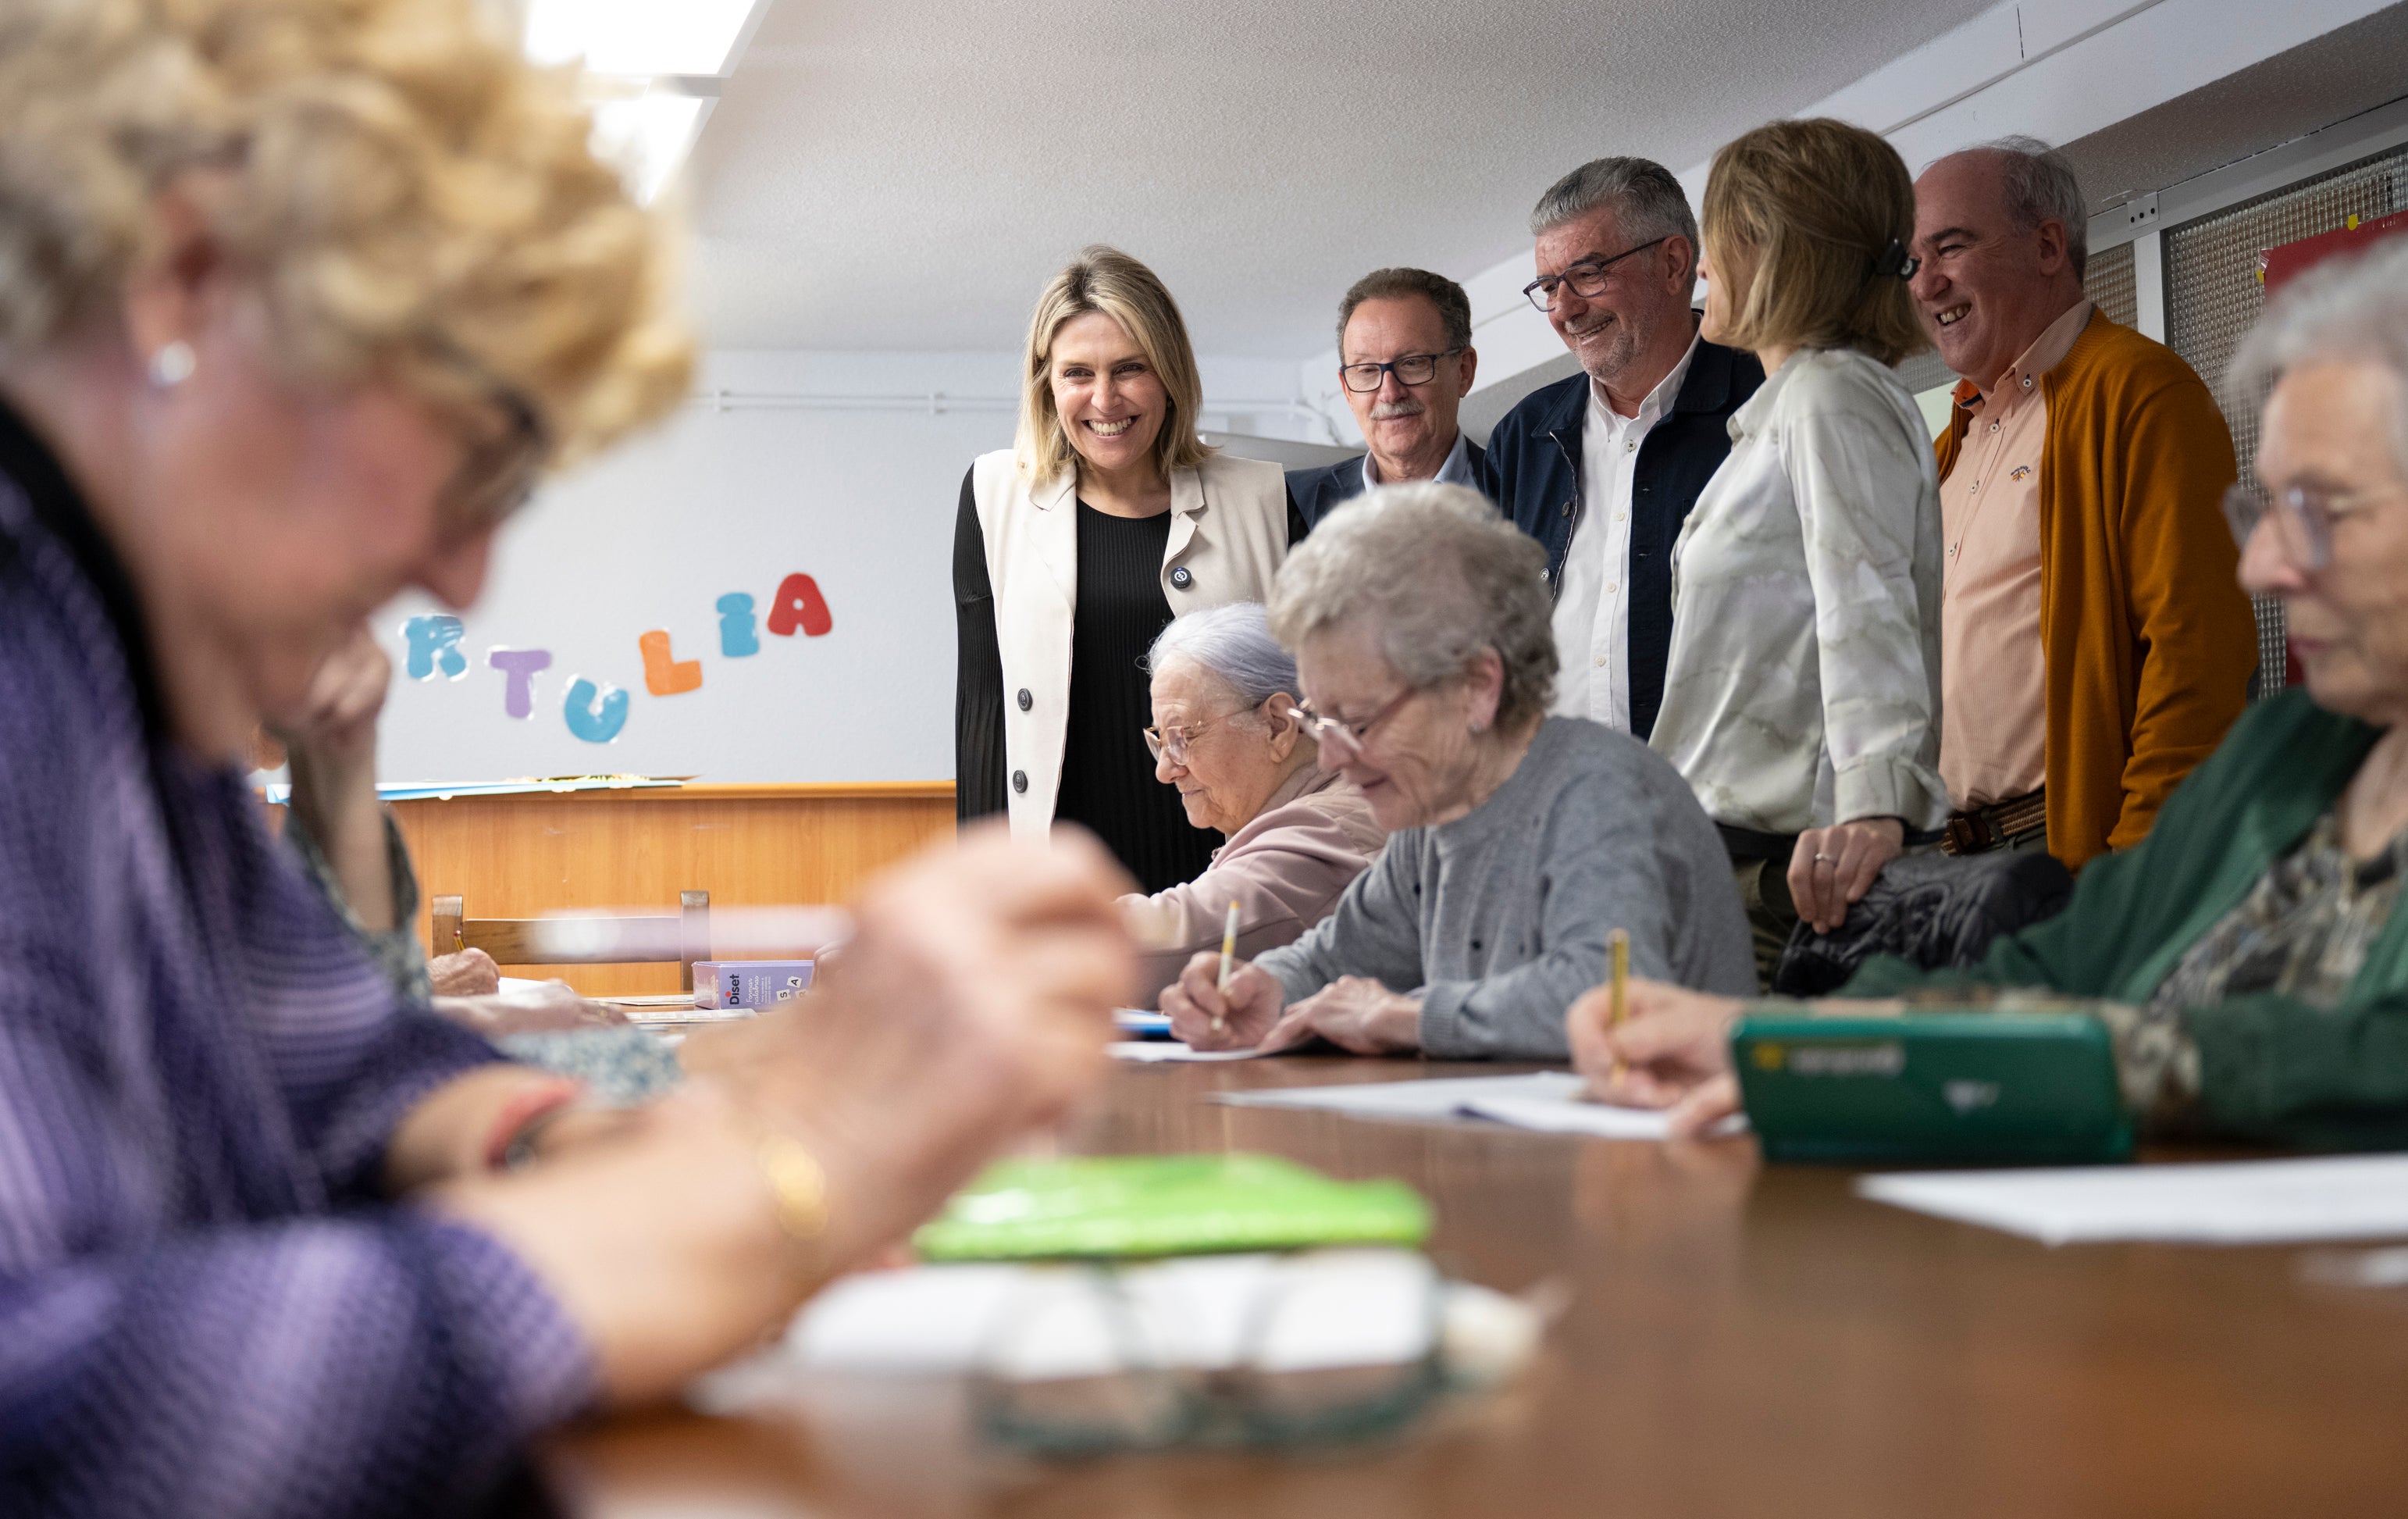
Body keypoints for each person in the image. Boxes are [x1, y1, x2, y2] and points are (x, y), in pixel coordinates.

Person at [0, 5, 1131, 1514]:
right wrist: (774, 1176)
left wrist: (566, 1139)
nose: (465, 578)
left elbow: (352, 1071)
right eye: (478, 459)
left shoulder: (140, 685)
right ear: (188, 277)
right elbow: (62, 1419)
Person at [1575, 240, 2408, 1150]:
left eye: (2322, 510)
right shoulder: (2290, 748)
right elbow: (2054, 963)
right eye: (2272, 508)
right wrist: (1779, 1038)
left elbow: (2368, 1054)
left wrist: (2105, 1055)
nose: (2264, 563)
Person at [1163, 485, 1753, 1061]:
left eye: (1359, 722)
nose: (1332, 756)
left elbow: (1608, 995)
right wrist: (1263, 986)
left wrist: (1408, 1017)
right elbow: (1332, 959)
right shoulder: (1434, 811)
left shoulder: (1603, 794)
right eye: (1323, 719)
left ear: (1477, 688)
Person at [1646, 119, 1948, 985]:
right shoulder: (1785, 412)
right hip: (1733, 863)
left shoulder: (1829, 396)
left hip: (1793, 877)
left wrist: (1877, 806)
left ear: (1772, 249)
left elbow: (1868, 606)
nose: (1702, 268)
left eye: (1716, 239)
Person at [1910, 137, 2257, 869]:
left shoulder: (2140, 391)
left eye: (1950, 247)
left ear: (2046, 246)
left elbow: (2199, 657)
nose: (1924, 284)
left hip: (2074, 860)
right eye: (1914, 261)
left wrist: (2133, 876)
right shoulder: (1953, 444)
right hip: (1950, 865)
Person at [956, 247, 1301, 893]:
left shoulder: (1264, 500)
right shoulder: (993, 494)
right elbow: (984, 710)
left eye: (1130, 369)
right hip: (1059, 884)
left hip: (1229, 873)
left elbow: (1309, 711)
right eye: (1078, 372)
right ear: (1047, 383)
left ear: (1169, 373)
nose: (1105, 398)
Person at [1479, 157, 1765, 741]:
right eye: (1548, 286)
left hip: (1731, 811)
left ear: (1674, 262)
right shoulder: (1522, 437)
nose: (1563, 309)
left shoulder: (1766, 397)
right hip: (1562, 812)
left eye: (1587, 274)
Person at [1123, 603, 1385, 1002]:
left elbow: (1179, 936)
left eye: (1182, 737)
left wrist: (1018, 922)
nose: (1165, 770)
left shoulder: (1334, 827)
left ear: (1278, 725)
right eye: (1160, 740)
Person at [1287, 268, 1484, 526]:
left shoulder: (1523, 491)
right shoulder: (1292, 506)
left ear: (1463, 371)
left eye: (1412, 363)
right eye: (1366, 370)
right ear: (1346, 390)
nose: (1390, 393)